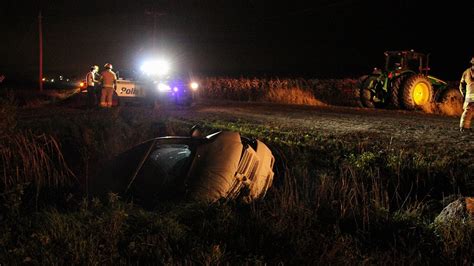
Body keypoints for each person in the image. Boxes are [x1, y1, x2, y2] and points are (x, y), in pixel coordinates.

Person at [459, 57, 474, 132]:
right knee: (468, 112)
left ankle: (464, 127)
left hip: (469, 96)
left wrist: (464, 93)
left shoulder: (466, 72)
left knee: (468, 112)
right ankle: (464, 128)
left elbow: (461, 84)